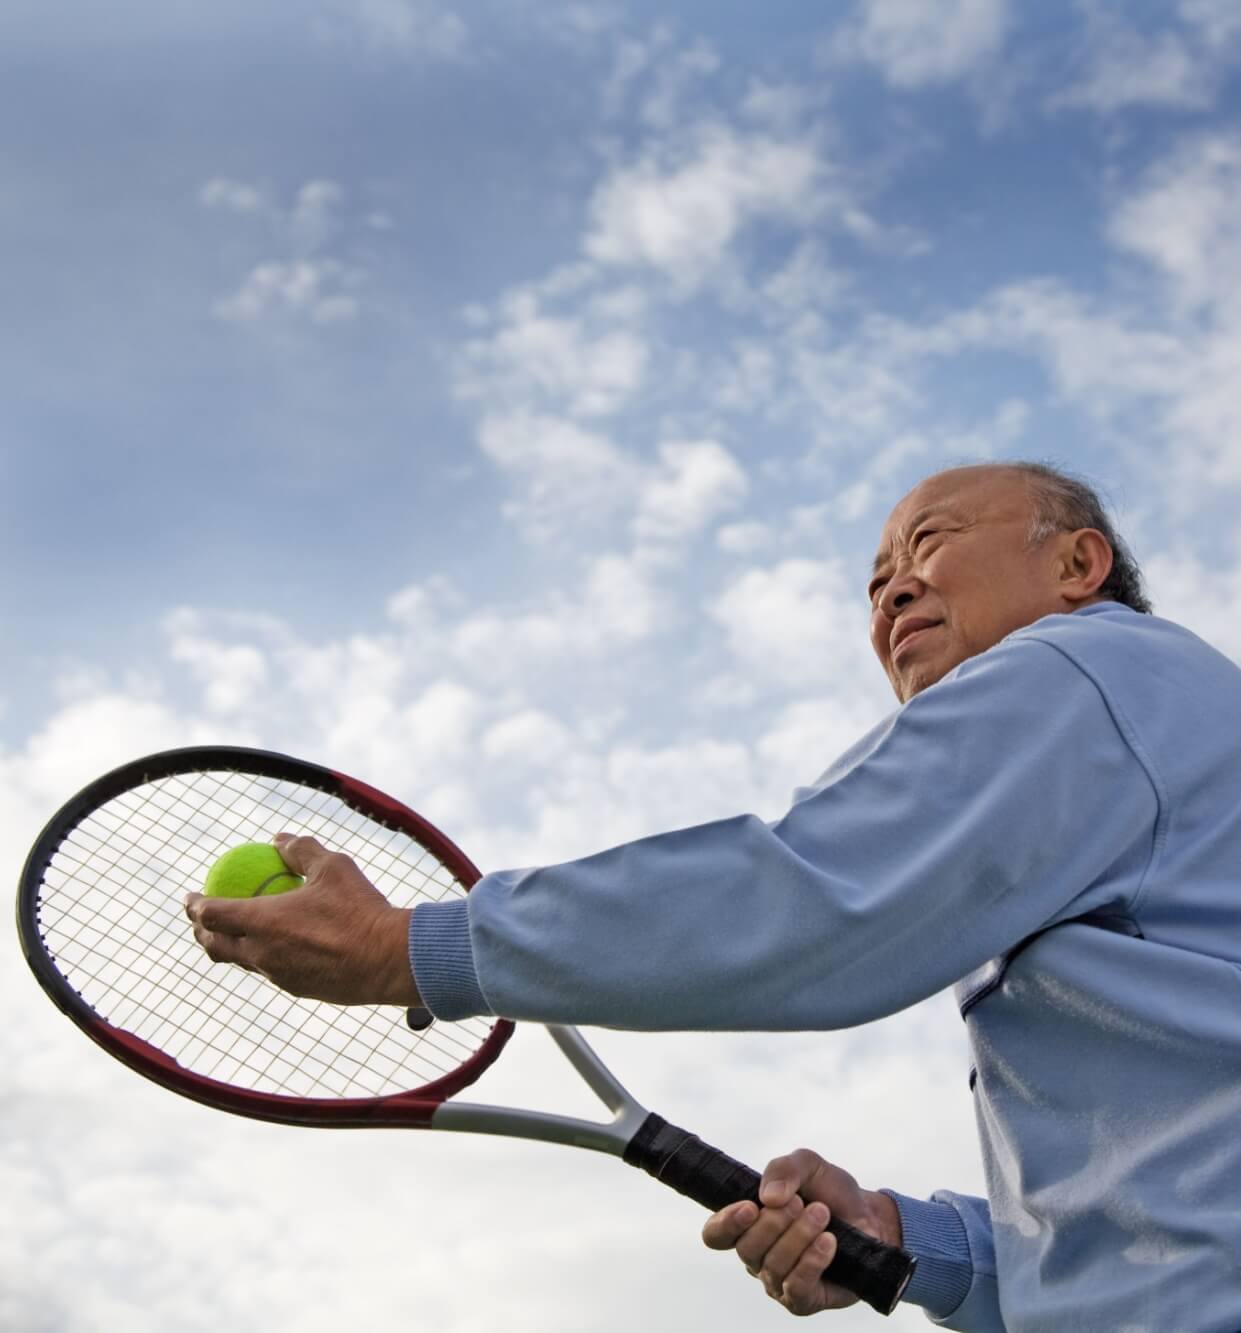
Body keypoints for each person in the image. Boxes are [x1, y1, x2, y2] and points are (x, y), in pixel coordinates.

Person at [185, 461, 1241, 1331]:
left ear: (1075, 562)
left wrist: (411, 947)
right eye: (873, 583)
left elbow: (815, 894)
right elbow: (1150, 1216)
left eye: (926, 545)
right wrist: (909, 1240)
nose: (890, 593)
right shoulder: (1131, 774)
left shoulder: (1087, 671)